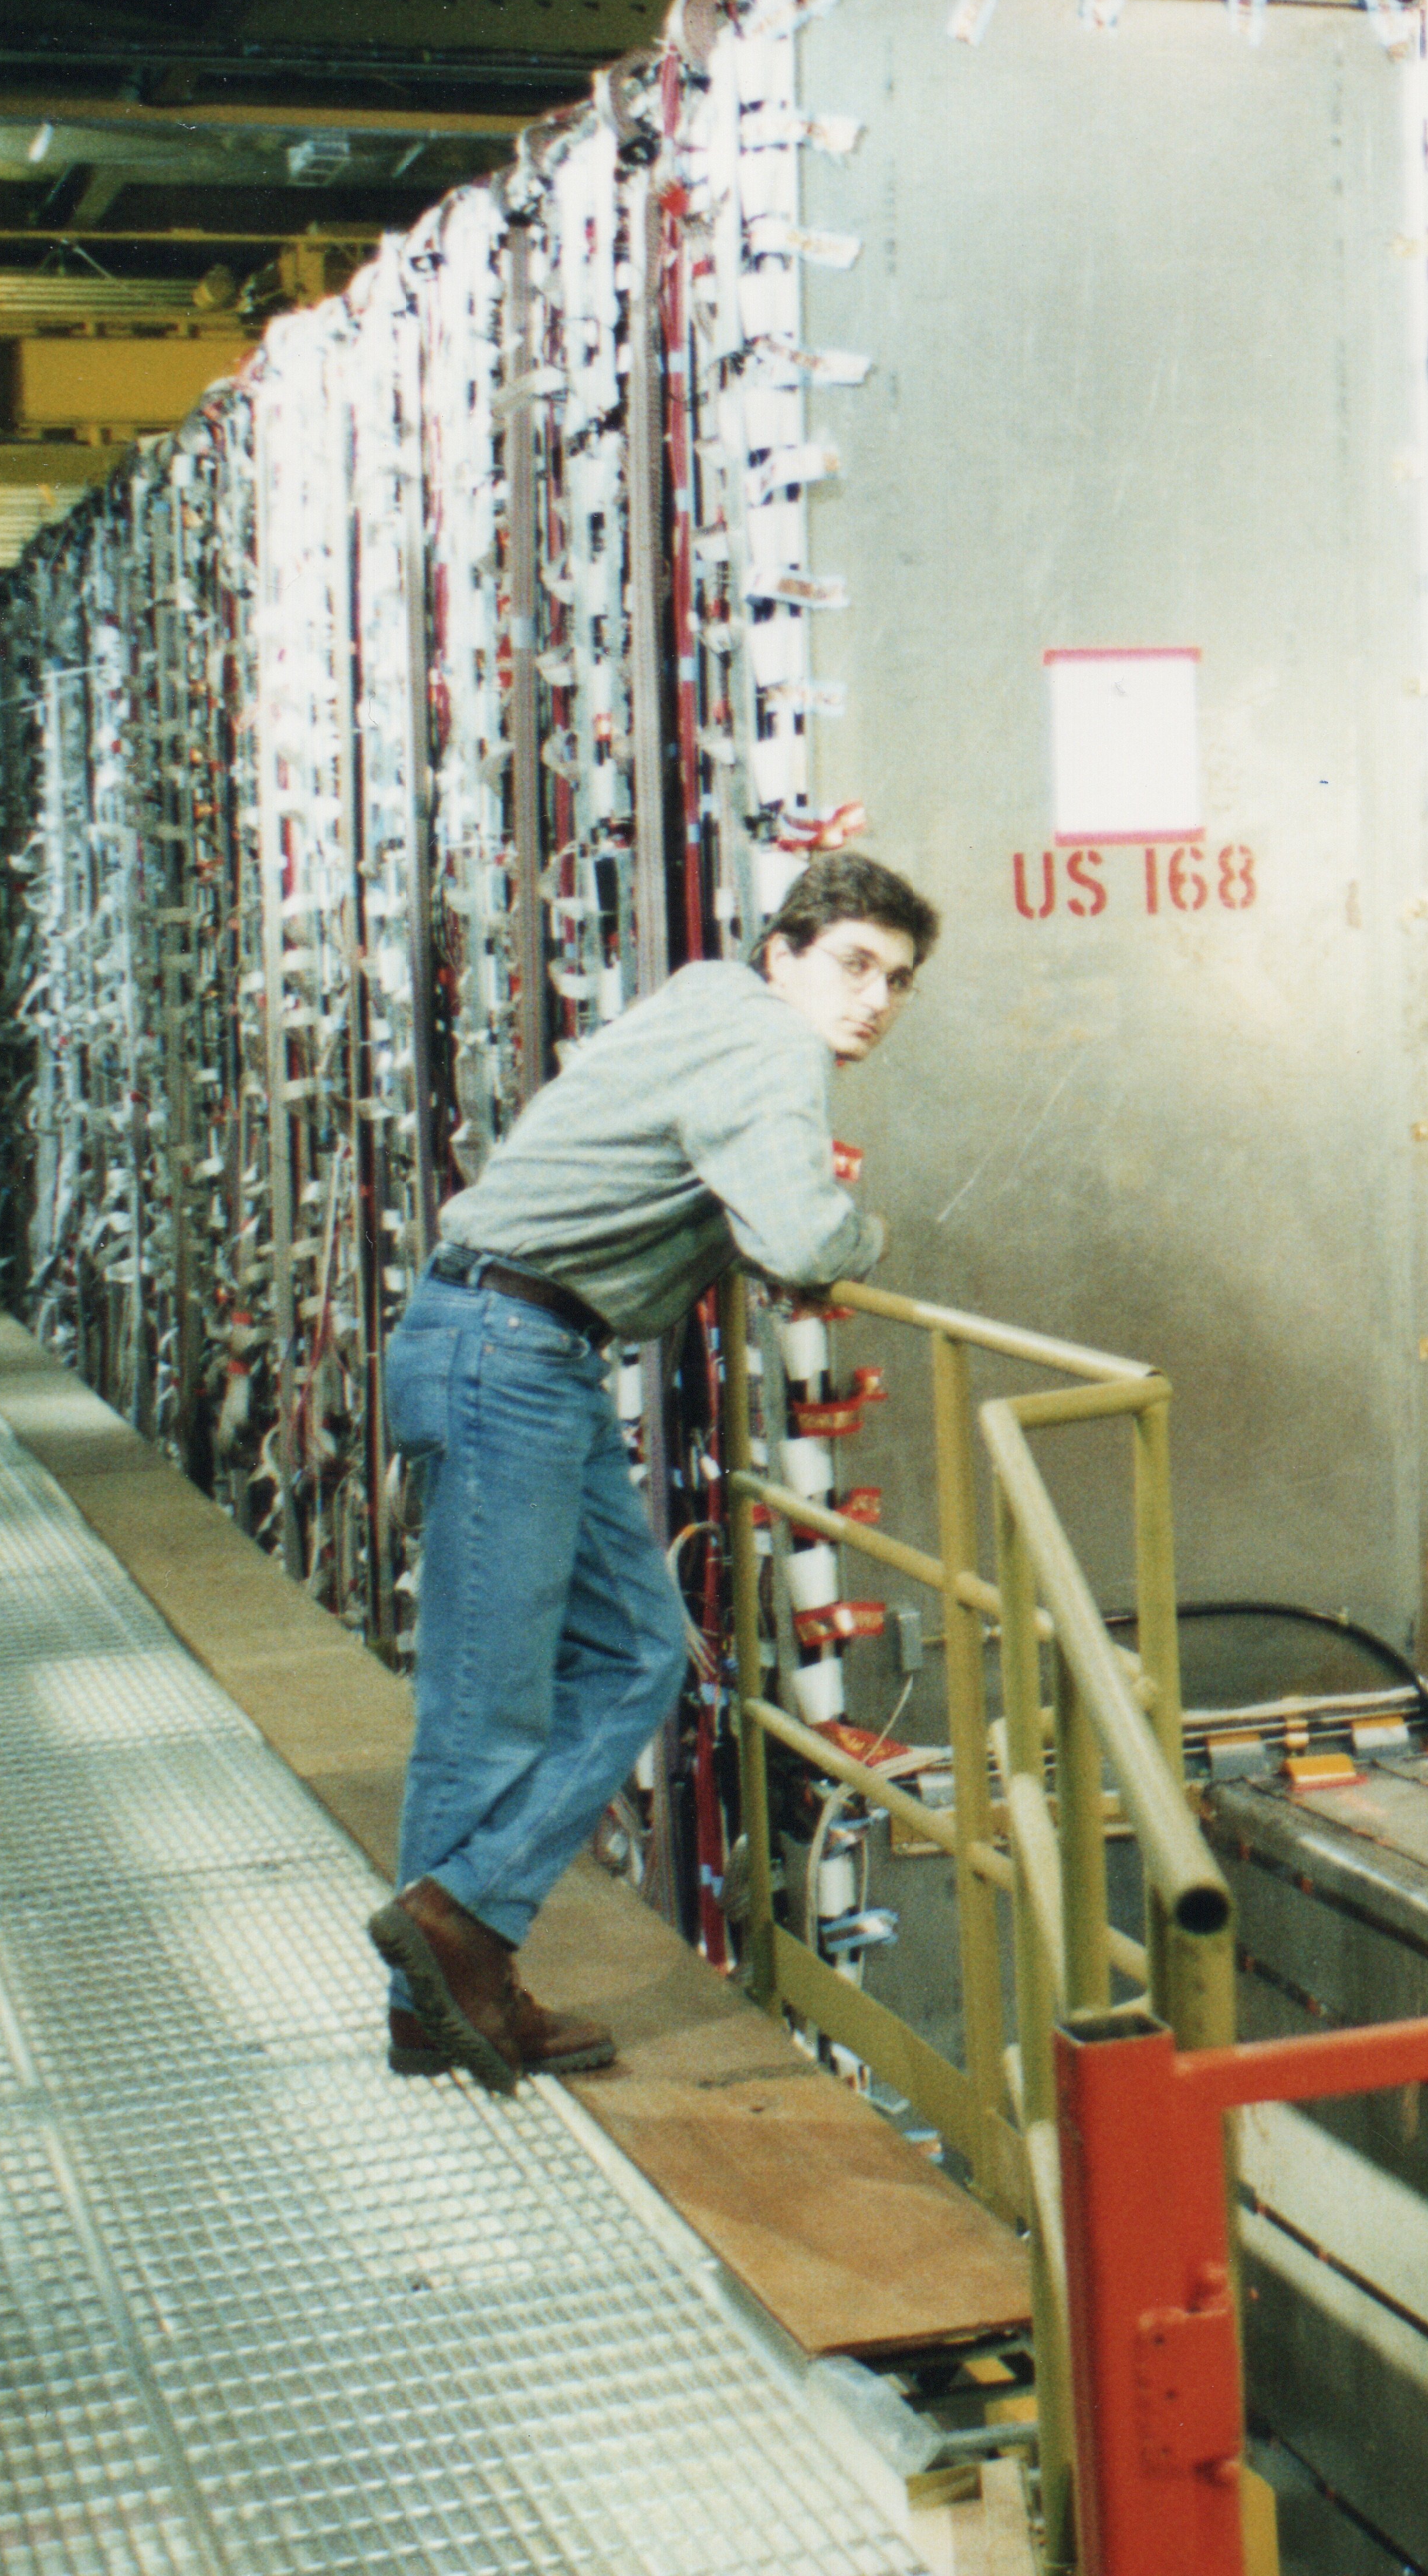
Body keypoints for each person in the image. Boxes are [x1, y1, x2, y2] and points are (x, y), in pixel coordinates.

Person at [367, 849, 940, 2091]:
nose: (873, 1002)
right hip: (506, 1354)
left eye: (896, 982)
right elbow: (798, 1235)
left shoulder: (709, 1001)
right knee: (488, 1704)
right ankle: (449, 1963)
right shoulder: (768, 1045)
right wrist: (868, 1232)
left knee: (634, 1652)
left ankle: (458, 1945)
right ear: (783, 951)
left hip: (523, 1353)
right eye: (851, 965)